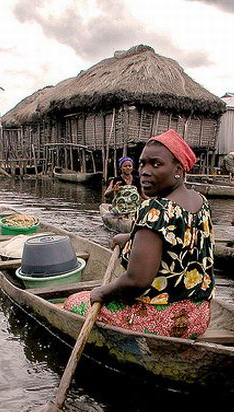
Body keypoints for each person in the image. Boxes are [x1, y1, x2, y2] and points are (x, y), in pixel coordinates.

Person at [64, 129, 215, 340]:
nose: (144, 171)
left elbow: (137, 281)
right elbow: (176, 240)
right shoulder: (201, 202)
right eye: (142, 163)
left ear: (178, 169)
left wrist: (102, 292)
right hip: (198, 317)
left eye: (156, 164)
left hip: (162, 322)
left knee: (74, 302)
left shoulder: (155, 209)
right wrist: (128, 238)